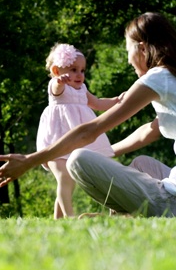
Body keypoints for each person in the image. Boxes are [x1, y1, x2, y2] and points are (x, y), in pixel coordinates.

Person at [0, 12, 176, 217]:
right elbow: (151, 129)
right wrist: (107, 153)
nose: (128, 59)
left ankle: (122, 218)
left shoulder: (160, 78)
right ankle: (124, 219)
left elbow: (91, 131)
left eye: (128, 50)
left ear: (143, 48)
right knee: (142, 165)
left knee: (78, 160)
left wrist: (31, 160)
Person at [36, 43, 120, 219]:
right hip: (57, 139)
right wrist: (59, 82)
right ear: (57, 71)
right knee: (64, 177)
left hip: (77, 141)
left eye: (82, 70)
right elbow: (56, 89)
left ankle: (58, 220)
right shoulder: (57, 85)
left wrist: (118, 100)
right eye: (74, 69)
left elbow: (97, 103)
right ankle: (70, 217)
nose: (79, 75)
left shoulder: (82, 89)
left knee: (68, 181)